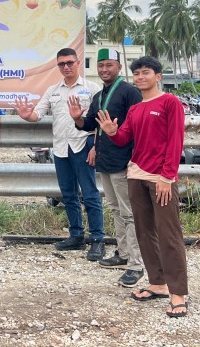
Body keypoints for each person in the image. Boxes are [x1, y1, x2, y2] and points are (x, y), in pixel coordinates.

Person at [96, 56, 188, 318]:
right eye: (136, 74)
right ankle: (157, 283)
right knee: (145, 233)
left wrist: (167, 176)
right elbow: (125, 136)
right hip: (136, 175)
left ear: (158, 76)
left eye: (145, 72)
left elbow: (175, 141)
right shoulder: (136, 108)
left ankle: (178, 293)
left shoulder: (170, 103)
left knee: (169, 234)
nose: (140, 78)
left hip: (161, 179)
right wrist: (112, 131)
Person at [14, 48, 104, 258]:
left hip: (83, 146)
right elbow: (38, 114)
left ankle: (97, 239)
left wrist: (95, 147)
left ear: (78, 62)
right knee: (69, 195)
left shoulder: (92, 88)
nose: (66, 67)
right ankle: (76, 237)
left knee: (90, 194)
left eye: (69, 63)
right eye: (61, 64)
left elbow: (101, 120)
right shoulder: (53, 90)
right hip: (61, 149)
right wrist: (27, 116)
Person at [68, 48, 144, 287]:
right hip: (106, 160)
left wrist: (136, 159)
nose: (104, 70)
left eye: (108, 65)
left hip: (125, 161)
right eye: (100, 66)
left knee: (130, 213)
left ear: (119, 67)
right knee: (115, 209)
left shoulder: (130, 92)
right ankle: (122, 254)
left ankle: (136, 264)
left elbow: (140, 127)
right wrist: (77, 118)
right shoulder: (100, 95)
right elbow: (90, 124)